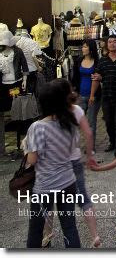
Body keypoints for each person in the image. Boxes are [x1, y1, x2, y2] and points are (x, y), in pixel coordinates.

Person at [41, 80, 100, 248]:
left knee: (48, 201)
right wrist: (90, 155)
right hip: (74, 160)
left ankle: (47, 233)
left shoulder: (52, 114)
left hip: (55, 164)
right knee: (83, 199)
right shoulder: (77, 110)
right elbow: (88, 134)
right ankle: (95, 235)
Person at [25, 82, 81, 248]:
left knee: (36, 229)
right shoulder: (70, 123)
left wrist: (26, 148)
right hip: (68, 182)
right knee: (70, 227)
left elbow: (32, 160)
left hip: (45, 186)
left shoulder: (38, 127)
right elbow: (72, 149)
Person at [72, 39, 101, 151]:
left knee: (91, 122)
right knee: (76, 121)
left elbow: (100, 77)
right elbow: (74, 78)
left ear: (91, 48)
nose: (83, 49)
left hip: (94, 96)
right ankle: (73, 145)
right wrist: (73, 91)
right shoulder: (78, 61)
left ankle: (90, 147)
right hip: (80, 95)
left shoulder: (97, 62)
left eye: (85, 47)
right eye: (83, 47)